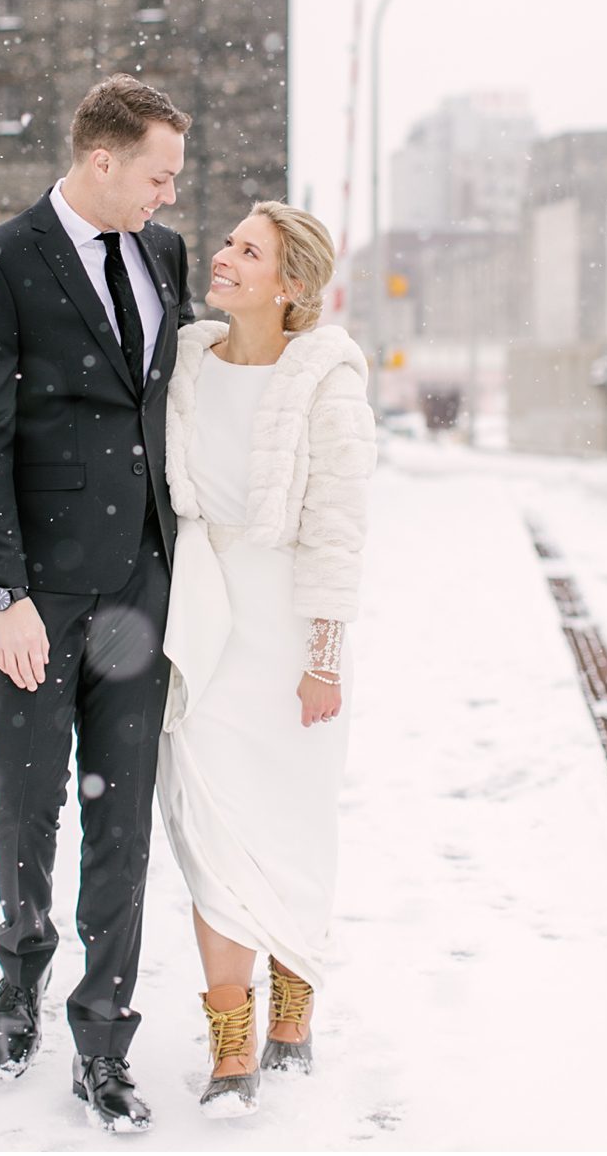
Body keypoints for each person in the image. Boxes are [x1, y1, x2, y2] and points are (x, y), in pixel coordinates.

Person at [0, 73, 195, 1133]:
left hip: (143, 583)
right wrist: (2, 591)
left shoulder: (165, 258)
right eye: (156, 175)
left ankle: (104, 1038)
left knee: (122, 820)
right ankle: (21, 970)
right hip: (35, 594)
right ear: (101, 159)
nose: (166, 197)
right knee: (25, 801)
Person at [154, 199, 376, 1117]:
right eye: (229, 243)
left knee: (289, 829)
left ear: (289, 286)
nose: (223, 257)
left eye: (249, 252)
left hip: (289, 632)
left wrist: (322, 657)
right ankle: (231, 1042)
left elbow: (338, 526)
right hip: (205, 624)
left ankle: (294, 1006)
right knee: (210, 831)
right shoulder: (187, 364)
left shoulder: (327, 378)